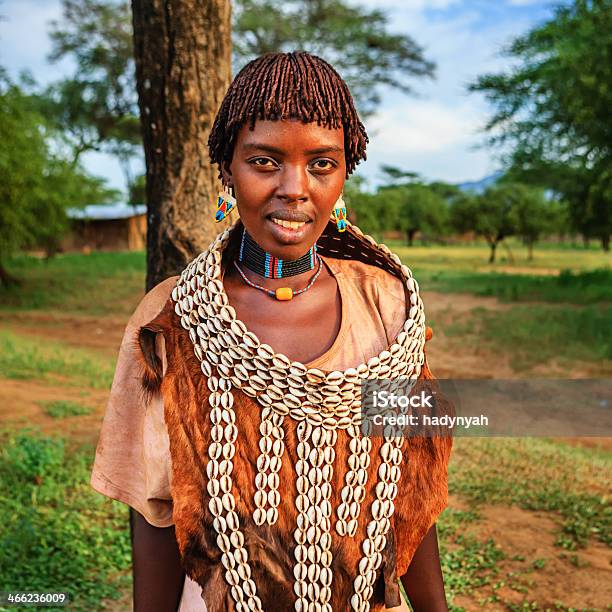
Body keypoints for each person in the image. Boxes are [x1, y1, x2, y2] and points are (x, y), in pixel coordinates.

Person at [91, 51, 452, 612]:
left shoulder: (385, 304)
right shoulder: (172, 318)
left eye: (321, 164)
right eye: (264, 162)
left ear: (344, 174)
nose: (294, 188)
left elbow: (408, 491)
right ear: (226, 170)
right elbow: (156, 506)